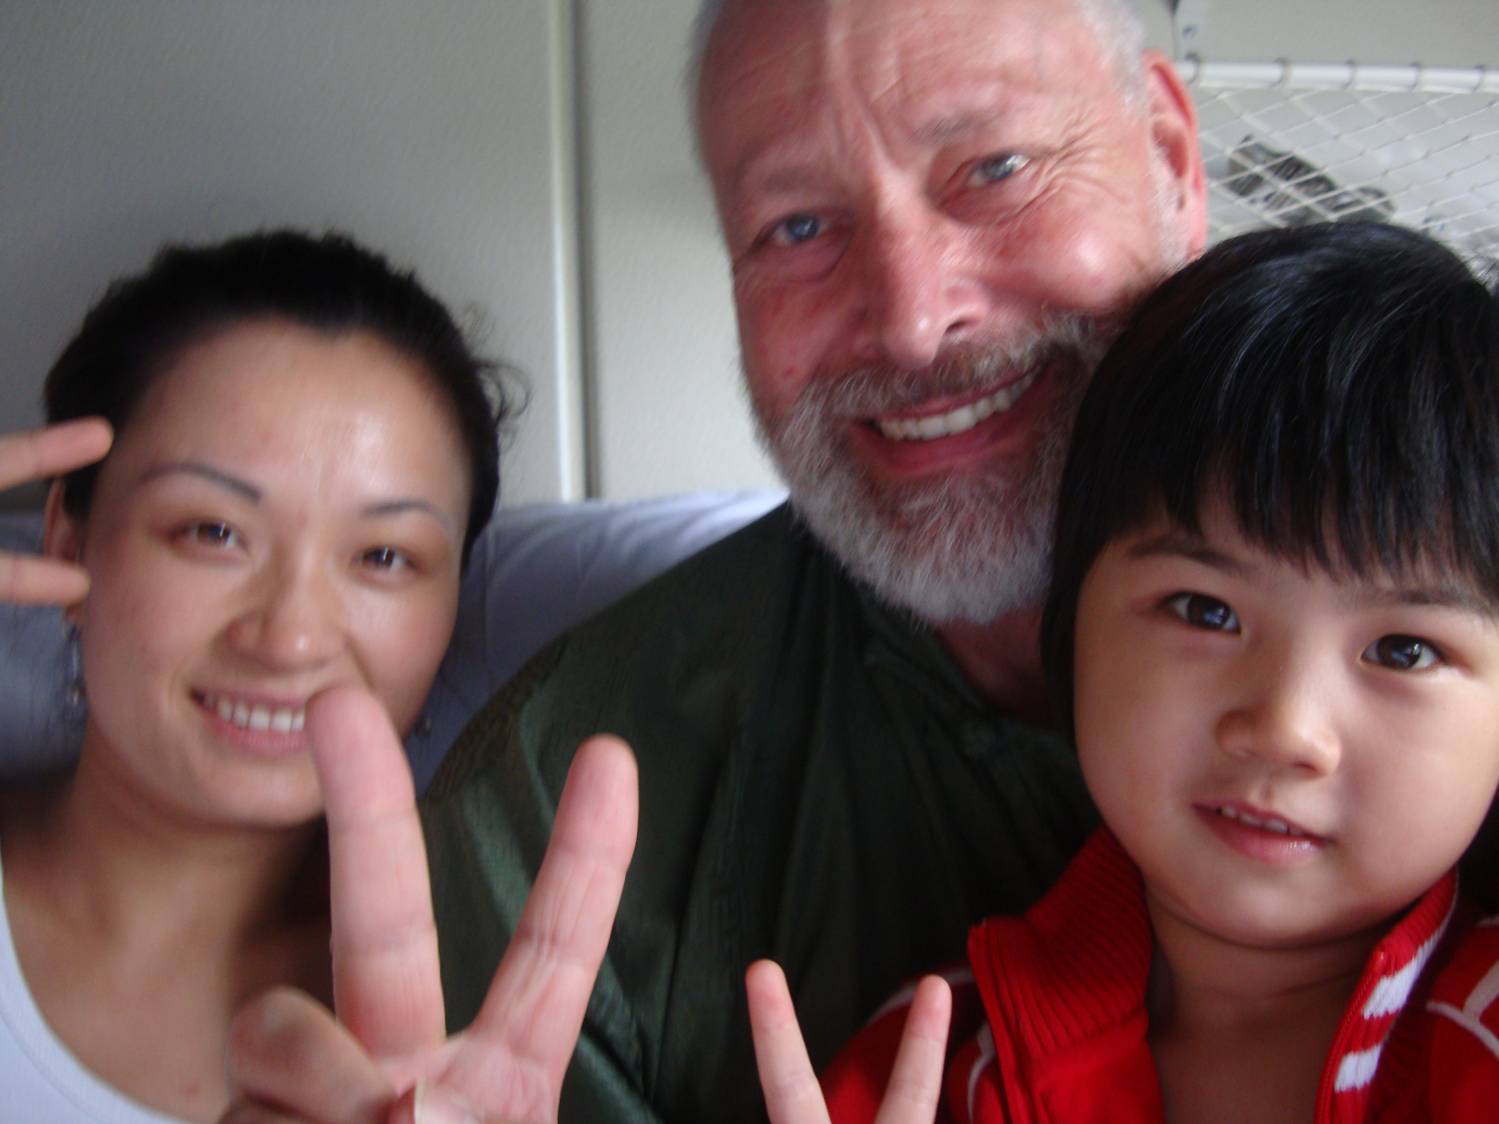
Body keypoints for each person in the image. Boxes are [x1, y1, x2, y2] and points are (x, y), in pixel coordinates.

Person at [224, 0, 1208, 1119]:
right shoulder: (563, 819)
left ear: (1170, 162)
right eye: (797, 226)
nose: (909, 317)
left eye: (992, 166)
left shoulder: (1435, 660)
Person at [786, 221, 1499, 1123]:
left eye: (1403, 650)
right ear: (1070, 626)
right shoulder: (941, 1064)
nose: (1283, 726)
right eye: (1206, 610)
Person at [0, 228, 546, 1123]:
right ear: (67, 539)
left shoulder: (508, 1011)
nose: (289, 638)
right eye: (211, 532)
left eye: (382, 555)